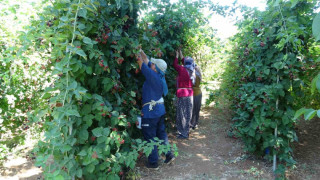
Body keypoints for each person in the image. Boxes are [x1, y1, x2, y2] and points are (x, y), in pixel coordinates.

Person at [137, 49, 175, 170]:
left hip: (151, 113)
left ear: (155, 68)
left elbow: (141, 63)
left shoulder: (152, 75)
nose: (151, 63)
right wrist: (142, 51)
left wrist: (135, 51)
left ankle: (153, 163)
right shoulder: (158, 75)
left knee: (150, 136)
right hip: (159, 111)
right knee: (161, 134)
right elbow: (146, 60)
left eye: (153, 64)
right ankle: (168, 154)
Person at [173, 49, 195, 139]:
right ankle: (186, 131)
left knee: (182, 114)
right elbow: (184, 62)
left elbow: (175, 65)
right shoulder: (192, 69)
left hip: (182, 94)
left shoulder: (182, 69)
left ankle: (183, 133)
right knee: (188, 113)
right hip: (190, 94)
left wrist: (176, 56)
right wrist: (181, 53)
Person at [190, 63, 202, 130]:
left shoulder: (193, 75)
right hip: (198, 92)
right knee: (197, 108)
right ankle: (195, 123)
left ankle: (192, 123)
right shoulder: (199, 74)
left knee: (193, 109)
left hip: (194, 93)